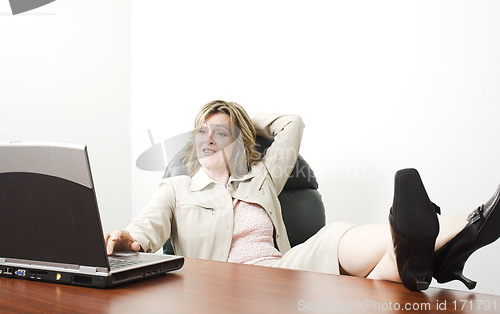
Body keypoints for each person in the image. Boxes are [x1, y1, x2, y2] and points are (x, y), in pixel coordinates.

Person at [105, 100, 500, 292]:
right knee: (387, 271)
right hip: (230, 287)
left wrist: (241, 121)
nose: (209, 139)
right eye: (202, 132)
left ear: (239, 143)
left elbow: (293, 124)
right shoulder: (175, 188)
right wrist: (128, 241)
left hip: (286, 271)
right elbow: (144, 229)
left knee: (336, 234)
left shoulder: (261, 177)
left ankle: (467, 224)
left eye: (220, 133)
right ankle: (451, 244)